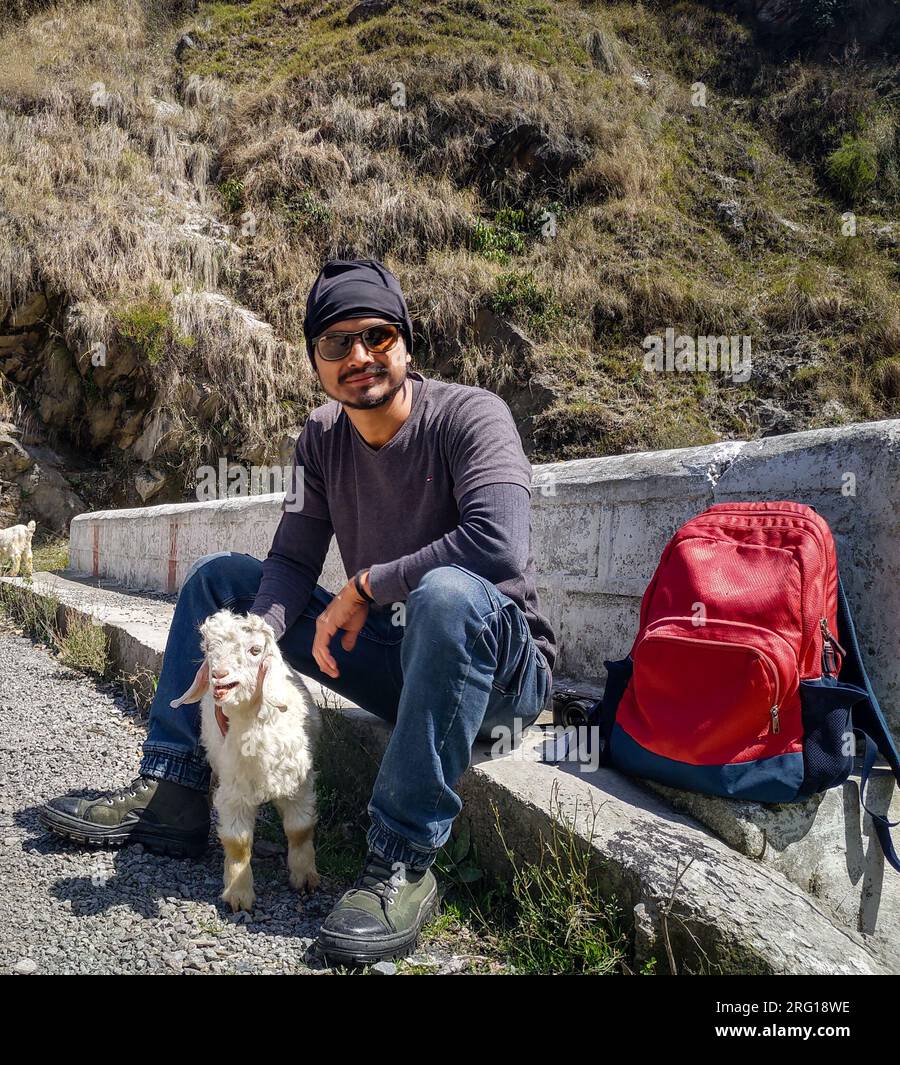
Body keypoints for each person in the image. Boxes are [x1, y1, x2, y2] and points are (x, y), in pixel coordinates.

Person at [41, 258, 556, 965]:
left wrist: (367, 585)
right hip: (395, 659)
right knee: (221, 582)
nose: (359, 356)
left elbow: (497, 546)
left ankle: (400, 860)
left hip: (495, 676)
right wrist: (260, 636)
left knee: (446, 595)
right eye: (336, 343)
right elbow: (289, 563)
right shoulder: (321, 437)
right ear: (315, 360)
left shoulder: (472, 417)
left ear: (405, 342)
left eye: (376, 335)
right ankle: (174, 792)